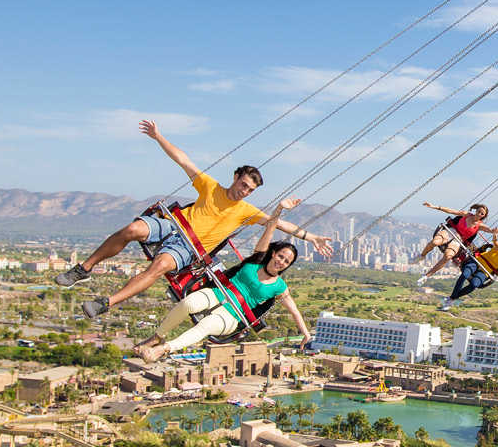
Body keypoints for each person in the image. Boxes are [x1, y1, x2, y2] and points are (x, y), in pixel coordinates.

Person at [58, 120, 331, 320]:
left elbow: (280, 224)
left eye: (250, 190)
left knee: (160, 266)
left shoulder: (247, 211)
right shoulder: (209, 186)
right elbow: (183, 160)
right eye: (244, 184)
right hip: (175, 224)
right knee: (133, 229)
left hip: (189, 248)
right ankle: (85, 268)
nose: (244, 191)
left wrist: (312, 237)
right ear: (236, 177)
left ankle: (107, 302)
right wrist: (158, 137)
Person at [133, 203, 312, 360]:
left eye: (286, 261)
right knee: (188, 303)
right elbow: (270, 227)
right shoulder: (257, 259)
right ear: (274, 253)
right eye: (281, 256)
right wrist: (279, 208)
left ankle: (163, 349)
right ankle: (157, 337)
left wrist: (305, 334)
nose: (281, 261)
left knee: (206, 326)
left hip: (233, 315)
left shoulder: (279, 286)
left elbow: (295, 312)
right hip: (219, 293)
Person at [438, 237, 498, 311]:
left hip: (486, 271)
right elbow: (495, 241)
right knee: (465, 275)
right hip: (477, 262)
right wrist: (495, 235)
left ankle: (452, 298)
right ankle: (452, 298)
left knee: (474, 284)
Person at [415, 202, 498, 267]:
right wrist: (435, 207)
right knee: (435, 242)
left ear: (483, 216)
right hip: (452, 231)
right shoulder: (467, 215)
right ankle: (422, 256)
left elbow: (491, 230)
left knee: (448, 256)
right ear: (476, 211)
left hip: (459, 240)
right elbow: (452, 211)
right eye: (479, 211)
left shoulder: (480, 225)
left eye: (482, 213)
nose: (479, 214)